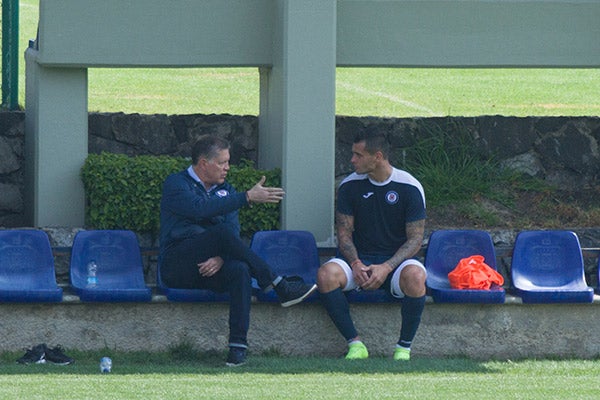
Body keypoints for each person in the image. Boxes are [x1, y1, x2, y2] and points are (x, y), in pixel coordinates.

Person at [159, 135, 317, 367]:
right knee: (221, 232)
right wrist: (246, 197)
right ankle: (278, 284)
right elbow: (199, 210)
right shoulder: (176, 184)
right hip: (178, 264)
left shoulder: (227, 190)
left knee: (240, 269)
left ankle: (237, 349)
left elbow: (232, 230)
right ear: (204, 164)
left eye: (228, 162)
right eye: (222, 162)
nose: (227, 168)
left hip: (212, 267)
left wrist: (222, 257)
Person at [317, 130, 427, 361]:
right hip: (359, 260)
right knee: (326, 274)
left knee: (416, 277)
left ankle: (403, 349)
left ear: (377, 156)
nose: (352, 160)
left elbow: (415, 239)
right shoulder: (349, 186)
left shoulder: (409, 187)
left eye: (358, 155)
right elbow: (344, 234)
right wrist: (356, 264)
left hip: (396, 263)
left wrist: (386, 267)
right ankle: (355, 345)